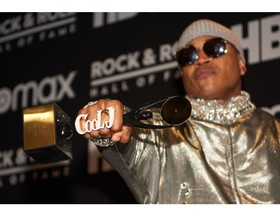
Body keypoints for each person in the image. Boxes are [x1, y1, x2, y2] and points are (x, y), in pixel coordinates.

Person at [76, 19, 280, 204]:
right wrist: (111, 119)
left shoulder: (274, 132)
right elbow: (131, 135)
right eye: (187, 55)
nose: (200, 59)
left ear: (241, 64)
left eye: (214, 48)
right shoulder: (161, 128)